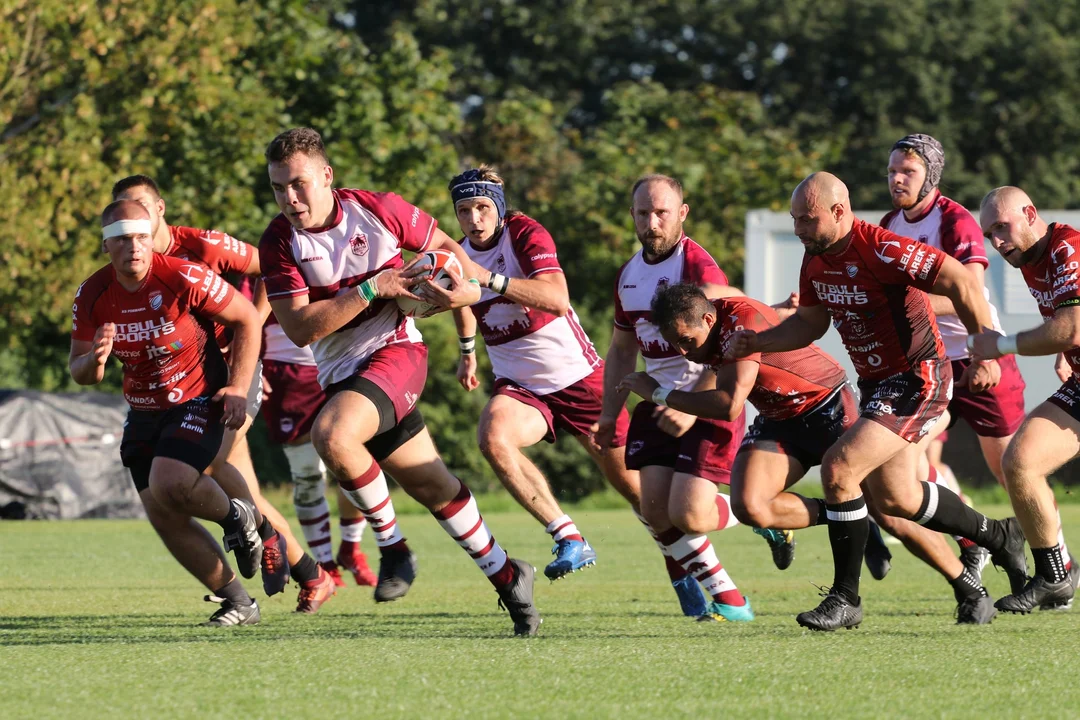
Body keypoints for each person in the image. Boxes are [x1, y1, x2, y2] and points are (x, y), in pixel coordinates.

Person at [259, 127, 540, 635]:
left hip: (397, 351)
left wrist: (461, 294)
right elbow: (300, 329)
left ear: (327, 176)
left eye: (299, 184)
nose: (290, 198)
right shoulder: (279, 241)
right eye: (279, 188)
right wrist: (373, 288)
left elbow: (448, 251)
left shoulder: (379, 209)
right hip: (341, 372)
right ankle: (509, 575)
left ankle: (393, 548)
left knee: (332, 436)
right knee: (432, 485)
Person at [728, 172, 1028, 631]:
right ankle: (998, 534)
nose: (799, 229)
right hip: (877, 385)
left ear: (839, 211)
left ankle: (845, 598)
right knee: (896, 497)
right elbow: (809, 324)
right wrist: (759, 342)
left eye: (807, 219)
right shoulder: (816, 257)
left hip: (918, 378)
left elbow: (963, 282)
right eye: (794, 219)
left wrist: (984, 348)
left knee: (840, 469)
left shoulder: (883, 248)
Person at [631, 283, 1004, 624]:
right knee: (751, 507)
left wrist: (658, 393)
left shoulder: (739, 325)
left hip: (828, 405)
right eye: (675, 345)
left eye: (686, 341)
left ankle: (970, 588)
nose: (684, 352)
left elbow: (729, 405)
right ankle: (850, 515)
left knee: (891, 512)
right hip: (779, 418)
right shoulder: (706, 319)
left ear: (708, 319)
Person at [448, 165, 702, 609]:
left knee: (642, 495)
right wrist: (467, 349)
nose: (474, 219)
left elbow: (556, 298)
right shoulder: (460, 252)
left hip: (578, 379)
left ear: (499, 208)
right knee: (492, 438)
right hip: (520, 386)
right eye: (464, 210)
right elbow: (462, 295)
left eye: (482, 207)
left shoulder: (524, 234)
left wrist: (486, 278)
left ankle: (692, 564)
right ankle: (568, 537)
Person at [112, 175, 337, 613]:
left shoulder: (203, 245)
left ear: (160, 208)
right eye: (123, 213)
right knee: (234, 480)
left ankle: (266, 539)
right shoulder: (130, 266)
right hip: (182, 388)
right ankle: (309, 572)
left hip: (230, 376)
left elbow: (270, 266)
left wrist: (250, 328)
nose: (132, 219)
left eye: (140, 206)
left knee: (210, 461)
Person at [70, 200, 263, 626]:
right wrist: (95, 362)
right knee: (163, 514)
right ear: (106, 245)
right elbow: (79, 369)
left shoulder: (182, 275)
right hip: (144, 409)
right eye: (123, 239)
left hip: (198, 397)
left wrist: (237, 385)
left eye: (141, 237)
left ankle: (237, 516)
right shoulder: (92, 293)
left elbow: (248, 318)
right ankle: (239, 603)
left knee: (169, 481)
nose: (134, 247)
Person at [592, 174, 763, 623]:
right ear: (632, 216)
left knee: (689, 514)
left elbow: (729, 336)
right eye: (643, 213)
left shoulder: (699, 269)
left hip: (706, 401)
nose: (652, 223)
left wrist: (692, 405)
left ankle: (761, 510)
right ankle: (728, 599)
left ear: (682, 213)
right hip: (658, 402)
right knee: (654, 511)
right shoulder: (628, 276)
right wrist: (609, 414)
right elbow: (622, 349)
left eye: (662, 212)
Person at [881, 134, 1035, 578]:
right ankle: (976, 538)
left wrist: (984, 354)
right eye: (892, 171)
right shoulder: (889, 224)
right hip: (928, 363)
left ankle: (1058, 567)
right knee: (907, 465)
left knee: (1013, 471)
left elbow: (970, 294)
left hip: (979, 351)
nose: (897, 179)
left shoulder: (955, 220)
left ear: (930, 175)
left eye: (907, 171)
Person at [971, 185, 1080, 612]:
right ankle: (1055, 577)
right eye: (990, 234)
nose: (998, 241)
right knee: (1019, 462)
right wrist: (1063, 350)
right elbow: (1067, 323)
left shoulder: (1066, 248)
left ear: (1030, 214)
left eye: (1003, 227)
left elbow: (1071, 327)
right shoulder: (1031, 258)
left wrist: (1000, 346)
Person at [259, 303, 376, 587]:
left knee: (358, 462)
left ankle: (351, 547)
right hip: (290, 369)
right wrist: (250, 362)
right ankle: (324, 563)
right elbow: (249, 313)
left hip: (348, 359)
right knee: (308, 475)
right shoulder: (262, 270)